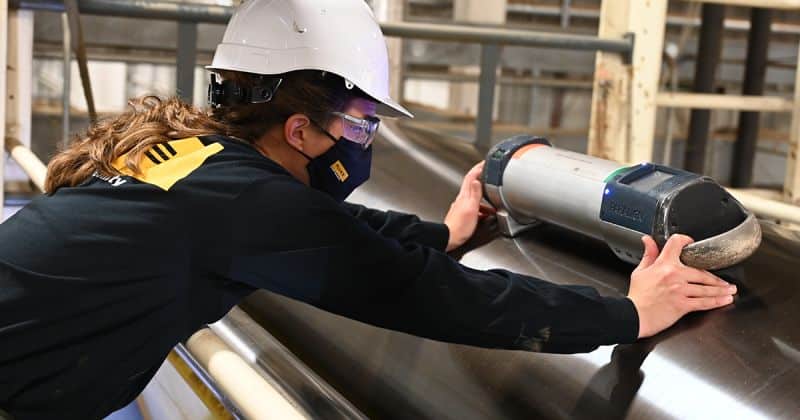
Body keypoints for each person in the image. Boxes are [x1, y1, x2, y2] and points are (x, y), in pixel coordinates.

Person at [0, 0, 736, 419]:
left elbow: (334, 234)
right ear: (298, 129)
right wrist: (629, 315)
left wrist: (441, 232)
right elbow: (437, 300)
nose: (361, 143)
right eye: (356, 124)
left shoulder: (194, 162)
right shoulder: (247, 202)